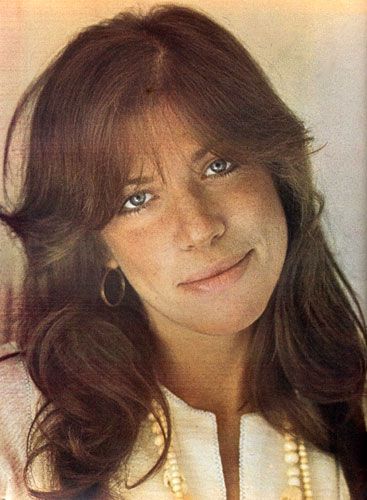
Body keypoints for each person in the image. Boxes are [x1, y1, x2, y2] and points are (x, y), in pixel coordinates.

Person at [0, 4, 366, 499]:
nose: (198, 228)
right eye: (136, 199)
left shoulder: (357, 406)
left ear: (279, 173)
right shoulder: (13, 432)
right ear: (96, 244)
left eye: (220, 165)